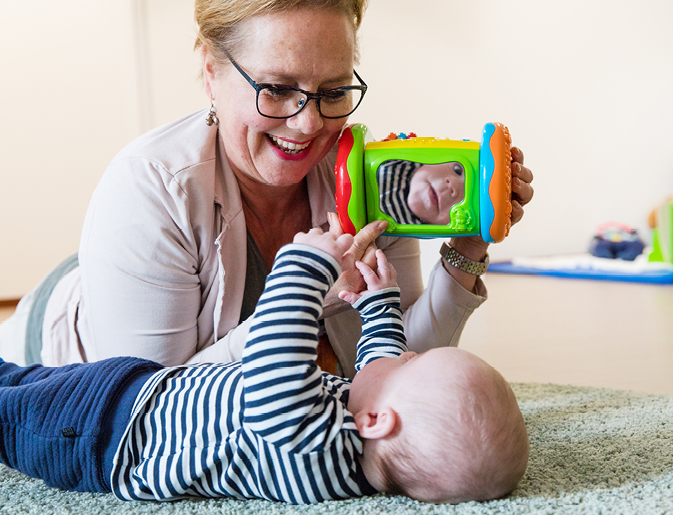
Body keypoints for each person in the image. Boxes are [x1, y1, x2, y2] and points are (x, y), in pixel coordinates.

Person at [0, 0, 535, 376]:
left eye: (332, 91)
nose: (308, 125)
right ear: (211, 72)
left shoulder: (375, 180)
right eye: (277, 89)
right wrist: (301, 296)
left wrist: (470, 245)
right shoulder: (149, 187)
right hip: (59, 343)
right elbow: (147, 405)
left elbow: (402, 364)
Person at [0, 228, 530, 504]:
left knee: (10, 412)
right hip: (133, 393)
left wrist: (306, 265)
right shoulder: (356, 431)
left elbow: (274, 357)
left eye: (412, 363)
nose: (406, 353)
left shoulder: (310, 444)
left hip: (99, 435)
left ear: (378, 421)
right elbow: (378, 367)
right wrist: (379, 303)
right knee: (16, 383)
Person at [377, 159, 466, 225]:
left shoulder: (405, 236)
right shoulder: (399, 160)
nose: (453, 186)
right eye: (457, 170)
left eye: (467, 195)